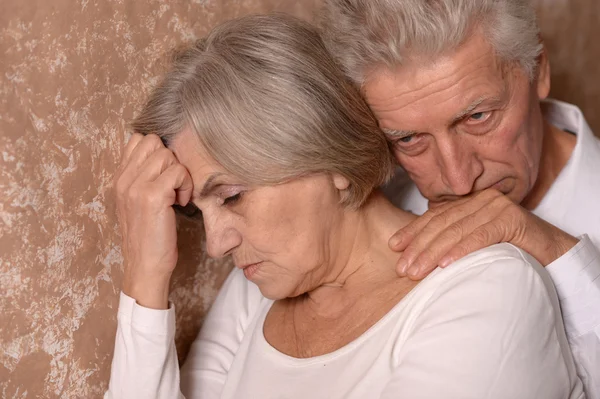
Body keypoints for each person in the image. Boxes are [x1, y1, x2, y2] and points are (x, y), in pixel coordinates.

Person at [106, 13, 584, 399]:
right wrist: (146, 278)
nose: (214, 245)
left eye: (232, 195)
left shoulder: (490, 285)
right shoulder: (258, 286)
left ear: (328, 155)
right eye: (409, 138)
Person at [319, 0, 600, 397]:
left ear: (538, 68)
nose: (459, 180)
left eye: (478, 117)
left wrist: (553, 248)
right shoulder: (368, 202)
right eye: (409, 139)